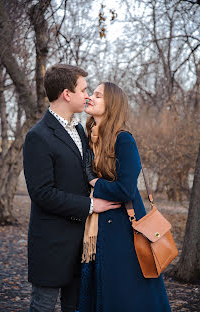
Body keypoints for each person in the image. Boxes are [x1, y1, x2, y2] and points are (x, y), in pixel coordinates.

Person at [23, 64, 121, 312]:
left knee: (76, 307)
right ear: (67, 94)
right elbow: (42, 193)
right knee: (42, 307)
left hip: (82, 245)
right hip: (51, 245)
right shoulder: (38, 136)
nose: (87, 95)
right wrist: (90, 205)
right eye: (83, 90)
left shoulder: (79, 129)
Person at [78, 82, 171, 312]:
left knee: (126, 296)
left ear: (111, 105)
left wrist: (95, 182)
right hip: (98, 229)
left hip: (126, 232)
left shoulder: (123, 140)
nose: (90, 97)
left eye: (97, 96)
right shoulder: (89, 138)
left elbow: (126, 190)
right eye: (92, 94)